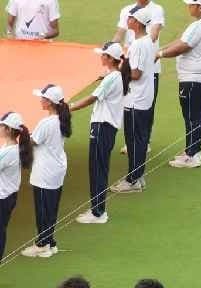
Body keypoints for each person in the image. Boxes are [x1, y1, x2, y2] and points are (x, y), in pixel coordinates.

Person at [69, 42, 129, 224]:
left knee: (97, 168)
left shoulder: (113, 78)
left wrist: (69, 107)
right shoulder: (114, 76)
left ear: (111, 58)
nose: (101, 57)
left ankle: (98, 212)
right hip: (105, 127)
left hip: (103, 127)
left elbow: (92, 98)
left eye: (104, 55)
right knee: (98, 168)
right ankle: (97, 209)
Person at [156, 0, 201, 168]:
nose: (188, 7)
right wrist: (160, 49)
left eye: (191, 4)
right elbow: (180, 41)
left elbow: (182, 47)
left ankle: (194, 154)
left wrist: (159, 54)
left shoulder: (200, 26)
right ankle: (192, 150)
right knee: (194, 114)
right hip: (199, 76)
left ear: (200, 7)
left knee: (193, 115)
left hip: (195, 77)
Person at [21, 84, 69, 259]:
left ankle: (42, 244)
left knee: (42, 209)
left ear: (49, 102)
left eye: (43, 98)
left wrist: (22, 133)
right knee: (51, 208)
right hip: (56, 169)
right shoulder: (61, 120)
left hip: (45, 171)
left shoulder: (46, 122)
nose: (40, 100)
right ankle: (50, 241)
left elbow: (31, 143)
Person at [114, 1, 163, 148]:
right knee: (139, 113)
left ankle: (141, 144)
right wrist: (110, 50)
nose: (128, 20)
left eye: (131, 19)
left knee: (144, 112)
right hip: (137, 65)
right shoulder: (128, 11)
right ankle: (139, 144)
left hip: (145, 69)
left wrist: (120, 72)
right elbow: (119, 34)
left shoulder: (141, 42)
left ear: (136, 22)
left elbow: (135, 74)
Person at [0, 111, 33, 257]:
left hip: (3, 198)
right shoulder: (13, 149)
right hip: (8, 196)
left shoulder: (8, 152)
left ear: (8, 129)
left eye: (2, 125)